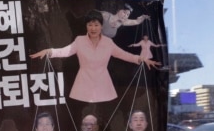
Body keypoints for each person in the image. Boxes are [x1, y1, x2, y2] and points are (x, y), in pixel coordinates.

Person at [30, 10, 159, 103]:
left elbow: (123, 55)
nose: (93, 28)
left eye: (96, 25)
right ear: (86, 26)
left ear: (102, 26)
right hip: (82, 86)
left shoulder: (108, 43)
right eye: (90, 25)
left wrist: (141, 58)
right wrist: (49, 51)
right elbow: (65, 51)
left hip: (104, 86)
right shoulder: (79, 40)